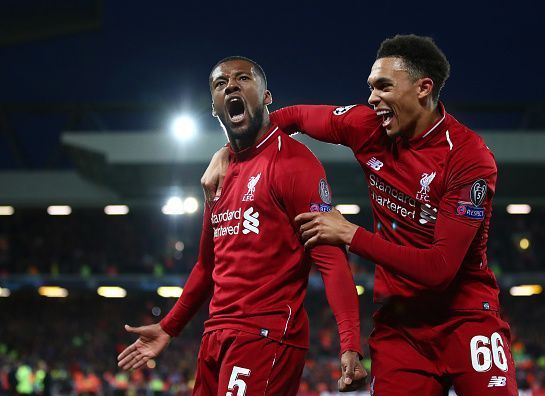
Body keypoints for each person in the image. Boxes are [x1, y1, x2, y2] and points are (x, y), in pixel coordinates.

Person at [203, 36, 518, 395]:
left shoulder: (468, 157)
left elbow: (439, 268)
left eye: (383, 87)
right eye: (370, 87)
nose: (371, 99)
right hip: (400, 327)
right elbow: (286, 118)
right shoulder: (366, 127)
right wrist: (228, 153)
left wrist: (351, 235)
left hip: (466, 319)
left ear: (423, 88)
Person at [117, 56, 367, 395]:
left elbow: (331, 260)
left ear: (266, 97)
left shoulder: (294, 163)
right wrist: (169, 327)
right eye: (221, 84)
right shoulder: (216, 176)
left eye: (243, 79)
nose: (231, 86)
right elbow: (208, 266)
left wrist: (350, 343)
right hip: (215, 336)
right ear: (214, 108)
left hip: (267, 335)